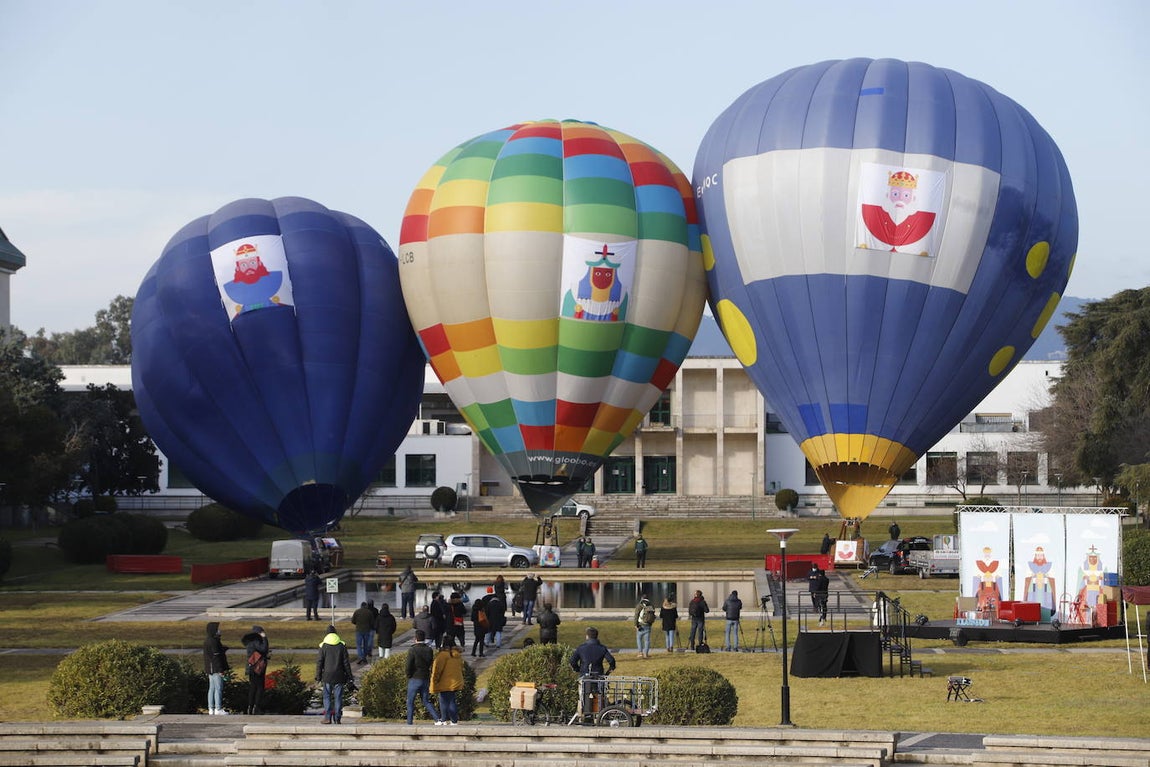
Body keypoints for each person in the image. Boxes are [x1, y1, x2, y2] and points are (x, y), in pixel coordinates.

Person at [315, 624, 354, 724]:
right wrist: (350, 676)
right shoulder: (342, 646)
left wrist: (318, 676)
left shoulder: (323, 646)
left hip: (327, 676)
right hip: (339, 676)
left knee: (327, 697)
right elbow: (346, 663)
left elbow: (320, 662)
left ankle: (327, 717)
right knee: (338, 697)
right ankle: (338, 717)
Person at [405, 629, 443, 725]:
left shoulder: (412, 650)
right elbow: (430, 662)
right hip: (425, 677)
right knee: (426, 700)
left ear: (415, 639)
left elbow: (408, 665)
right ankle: (437, 719)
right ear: (424, 639)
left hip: (415, 677)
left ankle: (409, 722)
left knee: (410, 701)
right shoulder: (429, 649)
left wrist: (409, 675)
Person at [430, 635, 465, 726]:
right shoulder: (457, 655)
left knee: (443, 701)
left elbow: (437, 669)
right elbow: (461, 667)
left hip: (445, 681)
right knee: (452, 700)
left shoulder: (442, 655)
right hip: (456, 681)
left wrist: (435, 681)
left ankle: (443, 719)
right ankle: (454, 720)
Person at [202, 622, 229, 715]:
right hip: (215, 669)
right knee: (218, 688)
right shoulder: (214, 641)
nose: (219, 630)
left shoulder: (207, 640)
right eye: (217, 629)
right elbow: (216, 657)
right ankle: (218, 708)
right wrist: (221, 670)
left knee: (212, 688)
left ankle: (211, 708)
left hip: (210, 669)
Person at [241, 625, 269, 715]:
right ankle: (256, 707)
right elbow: (264, 649)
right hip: (257, 668)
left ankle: (250, 707)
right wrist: (265, 638)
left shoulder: (250, 642)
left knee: (253, 687)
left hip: (250, 667)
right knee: (259, 688)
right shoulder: (257, 641)